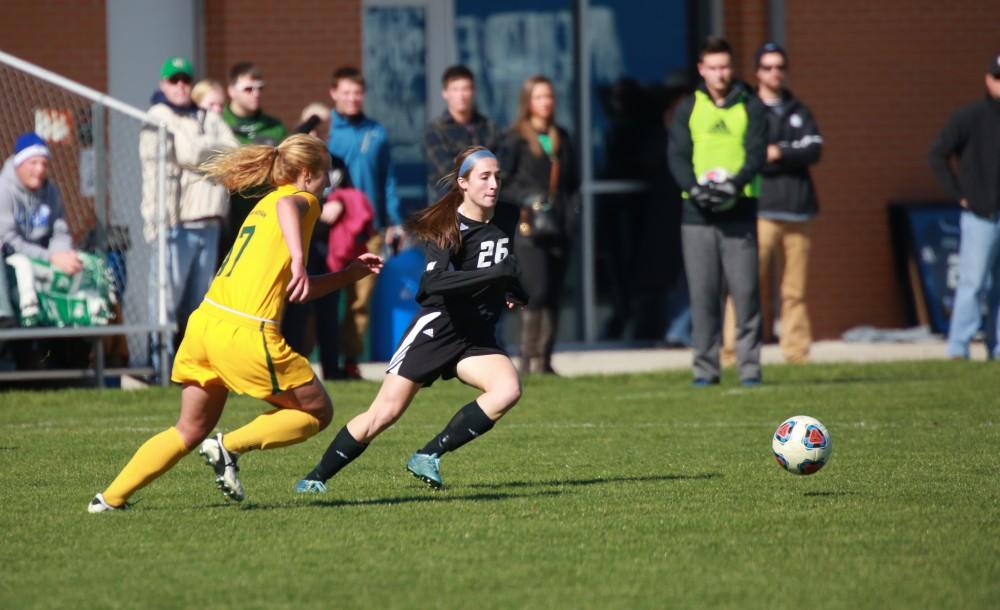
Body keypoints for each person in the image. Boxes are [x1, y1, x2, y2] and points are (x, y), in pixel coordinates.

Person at [88, 134, 384, 512]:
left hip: (205, 325)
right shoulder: (301, 200)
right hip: (246, 331)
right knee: (318, 412)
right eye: (327, 174)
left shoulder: (265, 203)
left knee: (188, 429)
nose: (329, 183)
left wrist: (348, 274)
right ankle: (228, 447)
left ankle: (109, 498)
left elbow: (300, 290)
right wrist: (298, 257)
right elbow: (292, 207)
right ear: (307, 173)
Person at [294, 146, 527, 493]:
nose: (494, 184)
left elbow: (502, 267)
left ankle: (428, 455)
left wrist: (512, 291)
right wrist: (493, 276)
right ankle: (314, 478)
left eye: (497, 176)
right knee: (384, 414)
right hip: (437, 328)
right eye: (484, 177)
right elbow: (432, 284)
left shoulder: (507, 215)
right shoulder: (447, 225)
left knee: (507, 389)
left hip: (476, 335)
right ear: (463, 182)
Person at [667, 36, 767, 386]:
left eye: (725, 66)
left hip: (739, 214)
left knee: (746, 295)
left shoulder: (750, 104)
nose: (719, 73)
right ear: (701, 69)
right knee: (703, 296)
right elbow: (677, 155)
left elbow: (756, 153)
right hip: (697, 217)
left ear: (732, 68)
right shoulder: (689, 107)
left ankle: (750, 369)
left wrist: (734, 186)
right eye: (712, 67)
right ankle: (705, 370)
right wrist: (695, 189)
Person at [721, 42, 823, 365]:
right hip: (761, 210)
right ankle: (731, 353)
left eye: (779, 67)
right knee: (746, 286)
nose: (774, 73)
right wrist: (781, 153)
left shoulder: (798, 110)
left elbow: (814, 149)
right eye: (767, 67)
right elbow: (749, 156)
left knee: (795, 291)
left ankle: (796, 353)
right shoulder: (747, 108)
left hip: (798, 209)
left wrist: (779, 152)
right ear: (757, 72)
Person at [139, 57, 239, 374]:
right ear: (163, 84)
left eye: (185, 80)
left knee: (198, 303)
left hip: (209, 220)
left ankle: (191, 366)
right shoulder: (158, 115)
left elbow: (235, 149)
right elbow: (188, 153)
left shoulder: (205, 115)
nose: (180, 86)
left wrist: (203, 148)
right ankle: (160, 366)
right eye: (174, 80)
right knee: (167, 299)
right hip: (174, 223)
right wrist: (211, 151)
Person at [500, 75, 578, 374]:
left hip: (558, 225)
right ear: (528, 102)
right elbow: (504, 184)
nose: (546, 103)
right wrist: (527, 199)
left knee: (556, 291)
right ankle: (527, 359)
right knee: (537, 290)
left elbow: (573, 183)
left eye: (549, 97)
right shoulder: (516, 138)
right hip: (529, 226)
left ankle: (545, 360)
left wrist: (571, 216)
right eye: (539, 97)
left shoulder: (563, 136)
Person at [327, 66, 401, 379]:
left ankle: (350, 360)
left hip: (368, 230)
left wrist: (394, 222)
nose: (352, 98)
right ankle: (316, 359)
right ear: (334, 94)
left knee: (359, 300)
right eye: (346, 92)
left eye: (357, 93)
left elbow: (388, 180)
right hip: (332, 229)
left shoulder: (377, 132)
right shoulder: (326, 132)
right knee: (325, 296)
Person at [928, 53, 1000, 360]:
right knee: (972, 282)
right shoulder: (969, 118)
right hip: (981, 215)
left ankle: (996, 346)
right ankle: (959, 347)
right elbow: (938, 155)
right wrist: (959, 193)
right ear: (988, 80)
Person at [221, 62, 287, 256]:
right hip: (226, 216)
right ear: (231, 91)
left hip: (263, 214)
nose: (256, 94)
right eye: (248, 89)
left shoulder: (275, 127)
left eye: (260, 89)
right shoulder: (218, 123)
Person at [423, 65, 499, 201]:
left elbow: (500, 167)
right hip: (448, 208)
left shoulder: (489, 127)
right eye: (455, 89)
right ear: (445, 93)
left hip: (488, 207)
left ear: (473, 91)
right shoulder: (435, 131)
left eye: (465, 89)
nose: (461, 95)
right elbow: (448, 172)